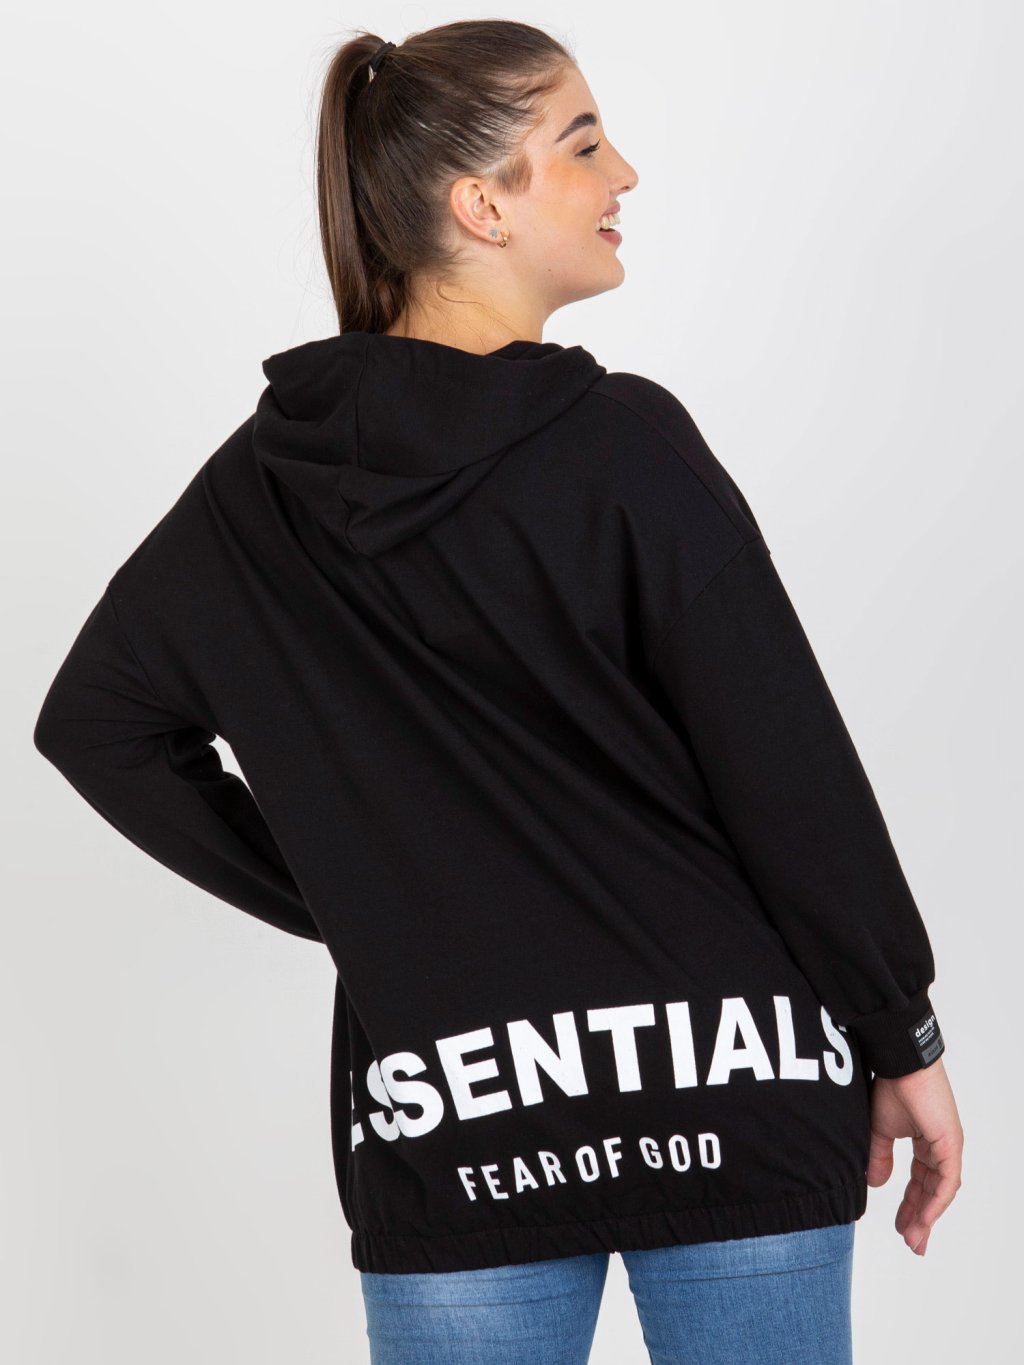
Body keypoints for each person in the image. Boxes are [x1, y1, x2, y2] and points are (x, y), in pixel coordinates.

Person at [34, 18, 963, 1365]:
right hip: (729, 1074)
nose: (624, 173)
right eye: (582, 146)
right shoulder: (624, 443)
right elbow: (788, 772)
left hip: (455, 1113)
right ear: (482, 205)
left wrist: (364, 893)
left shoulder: (254, 499)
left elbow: (98, 723)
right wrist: (901, 1032)